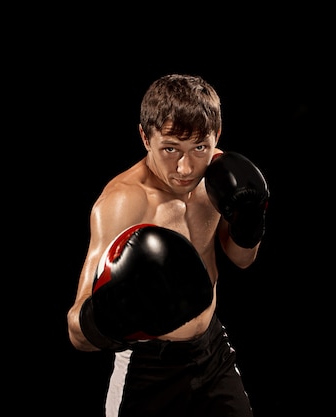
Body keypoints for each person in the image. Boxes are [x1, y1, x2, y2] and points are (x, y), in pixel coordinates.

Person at [66, 73, 269, 417]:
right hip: (148, 371)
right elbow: (76, 331)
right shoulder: (123, 202)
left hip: (211, 351)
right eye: (170, 149)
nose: (186, 168)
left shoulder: (220, 176)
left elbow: (242, 259)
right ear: (145, 137)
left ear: (215, 136)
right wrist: (111, 314)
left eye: (199, 148)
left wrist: (249, 224)